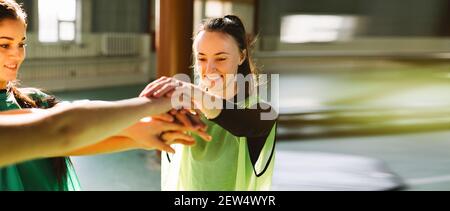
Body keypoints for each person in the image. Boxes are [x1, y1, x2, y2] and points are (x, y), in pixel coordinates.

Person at [0, 0, 209, 191]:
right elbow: (62, 130)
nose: (17, 54)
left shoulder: (33, 100)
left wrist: (140, 134)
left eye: (21, 43)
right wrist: (151, 105)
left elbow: (67, 141)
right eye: (4, 44)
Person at [141, 15, 278, 191]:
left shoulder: (263, 112)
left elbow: (242, 123)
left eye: (221, 58)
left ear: (241, 56)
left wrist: (195, 93)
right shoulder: (183, 108)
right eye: (202, 58)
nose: (210, 69)